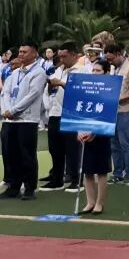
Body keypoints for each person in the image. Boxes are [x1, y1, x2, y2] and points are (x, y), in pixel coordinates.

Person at [1, 43, 48, 199]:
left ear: (34, 54)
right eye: (20, 51)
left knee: (27, 154)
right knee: (11, 154)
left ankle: (29, 188)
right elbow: (5, 93)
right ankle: (14, 186)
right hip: (10, 120)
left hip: (27, 119)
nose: (20, 54)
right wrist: (6, 110)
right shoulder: (15, 73)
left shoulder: (39, 72)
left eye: (24, 52)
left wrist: (14, 110)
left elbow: (33, 95)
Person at [41, 42, 79, 192]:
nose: (62, 59)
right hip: (54, 112)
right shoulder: (58, 70)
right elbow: (48, 90)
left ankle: (76, 180)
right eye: (60, 56)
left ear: (74, 55)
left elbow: (80, 92)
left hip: (71, 114)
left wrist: (62, 84)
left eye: (65, 56)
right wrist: (52, 85)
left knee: (72, 149)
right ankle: (56, 179)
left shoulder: (81, 70)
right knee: (55, 148)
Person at [77, 60, 114, 215]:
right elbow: (79, 111)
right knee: (87, 170)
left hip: (101, 133)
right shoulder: (86, 89)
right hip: (85, 133)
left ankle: (100, 202)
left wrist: (94, 132)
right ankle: (90, 202)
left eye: (98, 71)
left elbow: (108, 114)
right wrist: (79, 130)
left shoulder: (110, 90)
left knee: (101, 170)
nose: (94, 73)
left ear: (106, 72)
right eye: (93, 70)